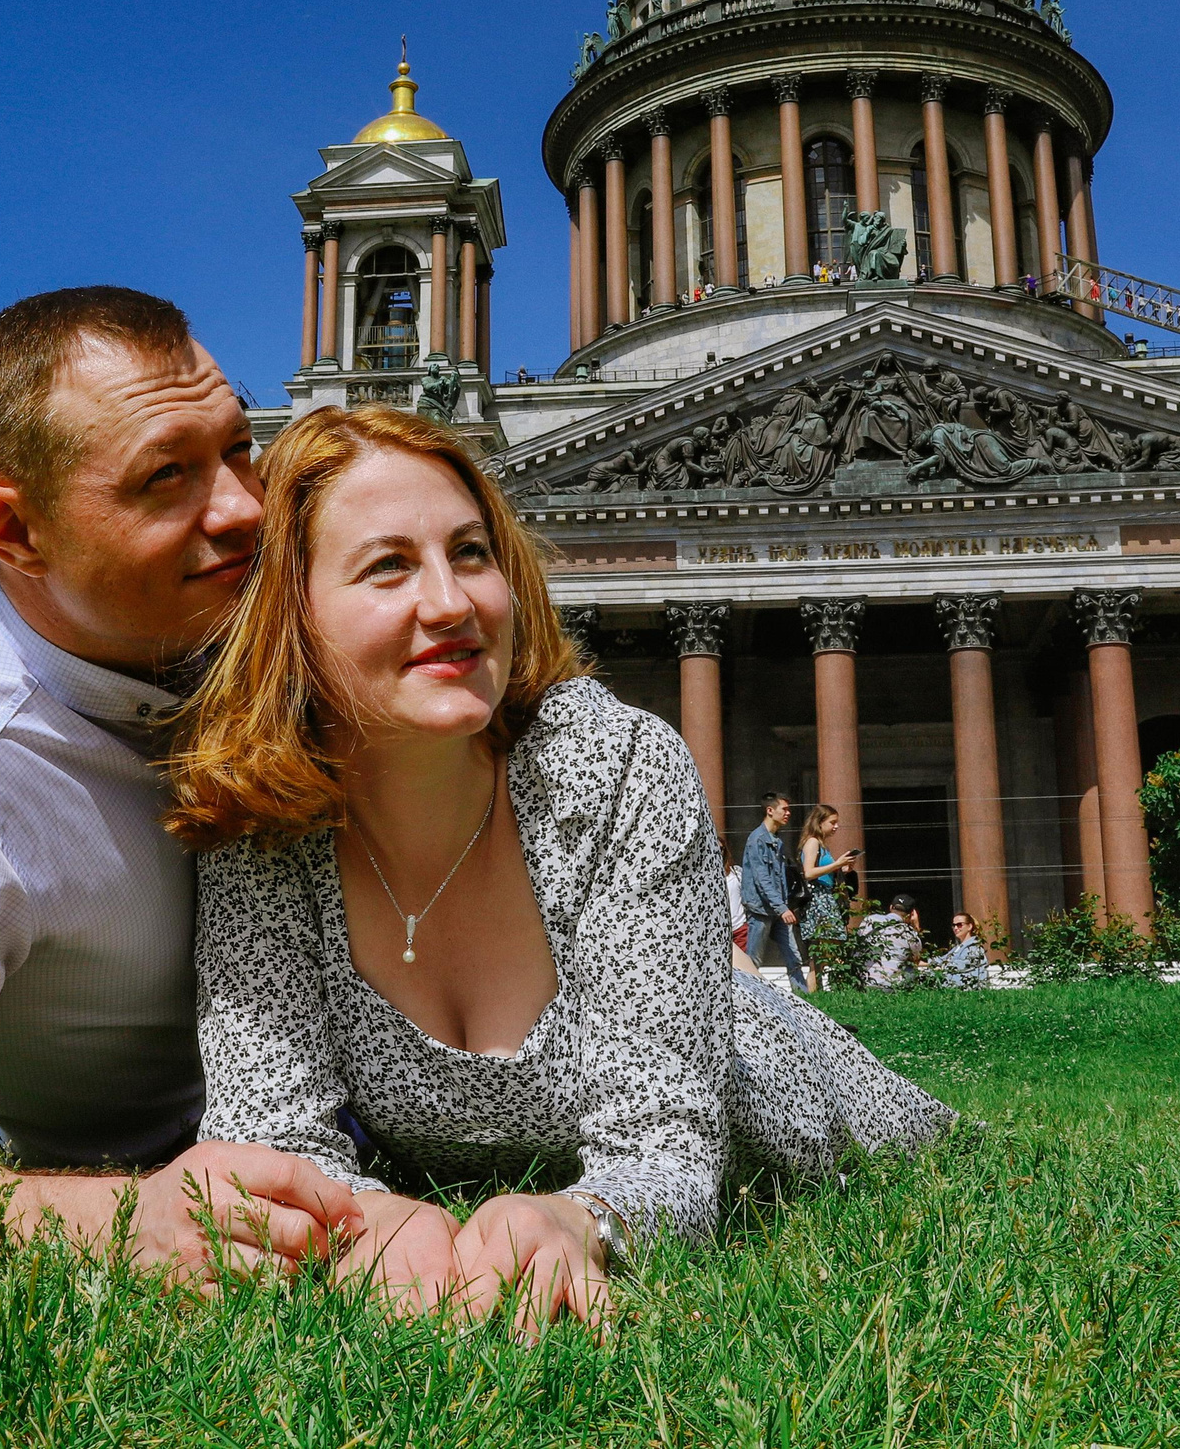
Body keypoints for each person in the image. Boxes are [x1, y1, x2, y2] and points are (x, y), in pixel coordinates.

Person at [171, 405, 952, 1332]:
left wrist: (579, 1220)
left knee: (924, 1143)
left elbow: (666, 1145)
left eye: (470, 552)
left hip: (762, 1081)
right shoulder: (256, 824)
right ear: (287, 614)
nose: (452, 603)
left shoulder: (619, 767)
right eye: (388, 565)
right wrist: (371, 1221)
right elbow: (272, 1132)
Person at [0, 287, 362, 1285]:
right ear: (14, 533)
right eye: (164, 477)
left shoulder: (218, 604)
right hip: (209, 1150)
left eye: (235, 449)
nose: (241, 508)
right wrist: (126, 1219)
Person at [740, 792, 807, 990]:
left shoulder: (776, 840)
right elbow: (762, 880)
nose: (788, 813)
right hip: (761, 910)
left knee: (794, 957)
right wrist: (782, 908)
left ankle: (804, 998)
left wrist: (784, 906)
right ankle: (749, 996)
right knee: (753, 961)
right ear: (770, 810)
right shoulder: (757, 840)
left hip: (779, 910)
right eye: (784, 809)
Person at [798, 804, 859, 948]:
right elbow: (808, 872)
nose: (836, 826)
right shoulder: (812, 842)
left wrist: (842, 869)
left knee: (827, 951)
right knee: (827, 949)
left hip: (825, 898)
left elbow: (823, 871)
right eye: (832, 822)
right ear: (819, 823)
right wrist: (837, 864)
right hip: (817, 900)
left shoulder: (822, 845)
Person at [856, 894, 927, 991]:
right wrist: (916, 927)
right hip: (889, 986)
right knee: (912, 969)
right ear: (911, 914)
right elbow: (916, 959)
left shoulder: (870, 919)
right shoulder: (909, 932)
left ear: (890, 907)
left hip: (862, 982)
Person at [930, 911, 991, 989]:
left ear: (969, 927)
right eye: (953, 925)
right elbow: (942, 960)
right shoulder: (957, 948)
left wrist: (942, 967)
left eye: (959, 925)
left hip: (969, 989)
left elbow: (963, 964)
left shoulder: (974, 948)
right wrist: (925, 962)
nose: (955, 928)